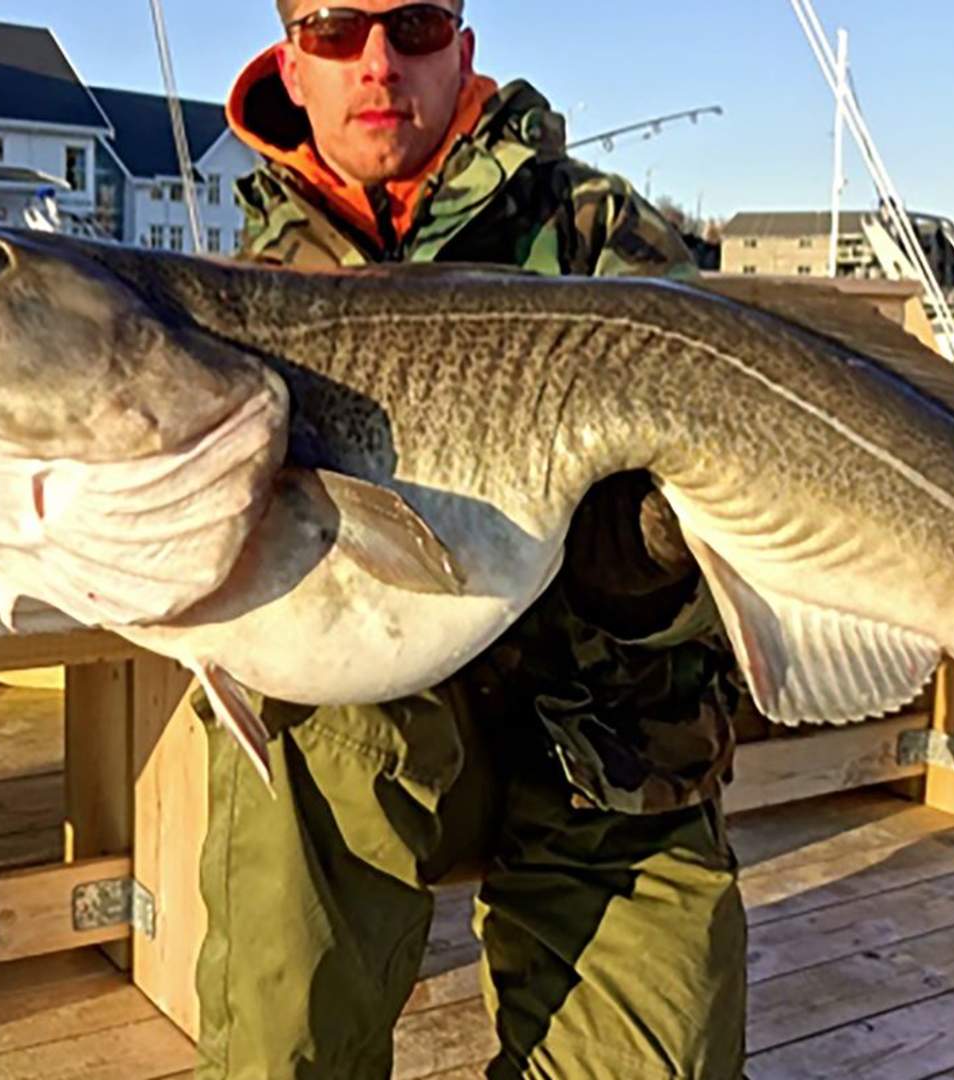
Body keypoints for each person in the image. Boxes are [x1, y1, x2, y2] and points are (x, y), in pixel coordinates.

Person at [191, 2, 748, 1076]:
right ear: (290, 65)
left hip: (610, 740)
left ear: (463, 48)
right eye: (336, 30)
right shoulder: (244, 294)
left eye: (413, 25)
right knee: (291, 745)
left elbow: (742, 503)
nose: (378, 63)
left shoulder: (599, 237)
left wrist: (646, 578)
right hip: (366, 740)